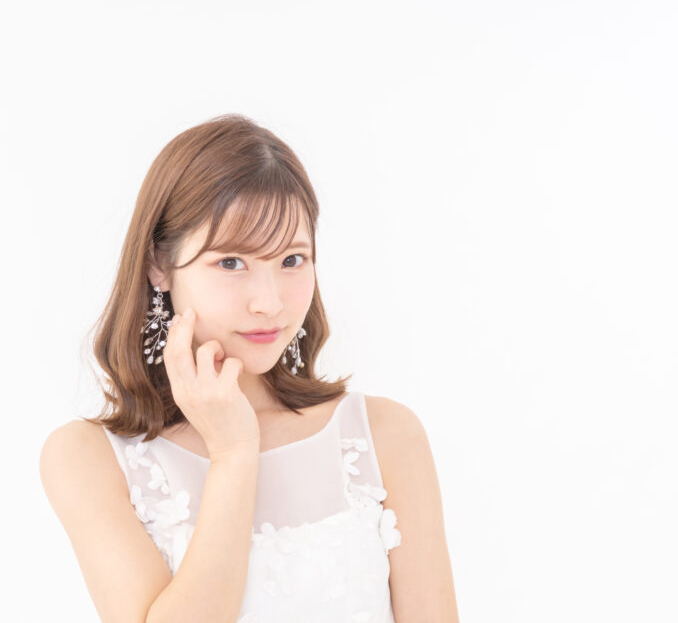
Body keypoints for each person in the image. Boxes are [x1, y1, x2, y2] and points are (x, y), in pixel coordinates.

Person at [39, 114, 459, 622]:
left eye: (292, 260)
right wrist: (233, 453)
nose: (269, 302)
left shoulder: (384, 435)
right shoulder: (89, 458)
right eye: (231, 263)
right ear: (158, 266)